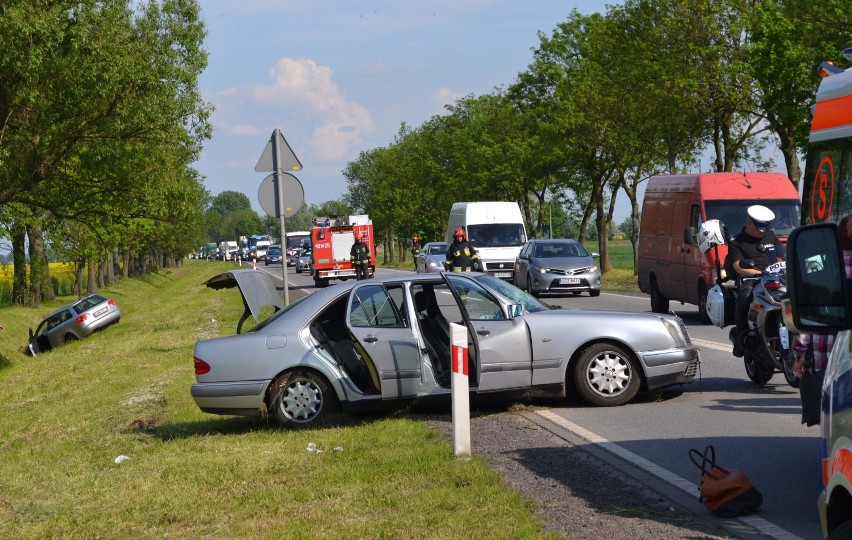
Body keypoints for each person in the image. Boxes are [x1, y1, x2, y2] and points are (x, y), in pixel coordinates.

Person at [793, 214, 852, 375]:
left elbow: (806, 310)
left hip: (827, 355)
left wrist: (800, 352)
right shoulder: (818, 262)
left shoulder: (817, 263)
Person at [725, 205, 786, 357]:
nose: (762, 231)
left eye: (764, 228)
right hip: (754, 278)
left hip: (776, 276)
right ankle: (742, 337)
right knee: (744, 296)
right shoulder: (737, 242)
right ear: (750, 223)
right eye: (759, 228)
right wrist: (760, 272)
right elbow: (738, 267)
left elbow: (783, 254)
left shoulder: (770, 236)